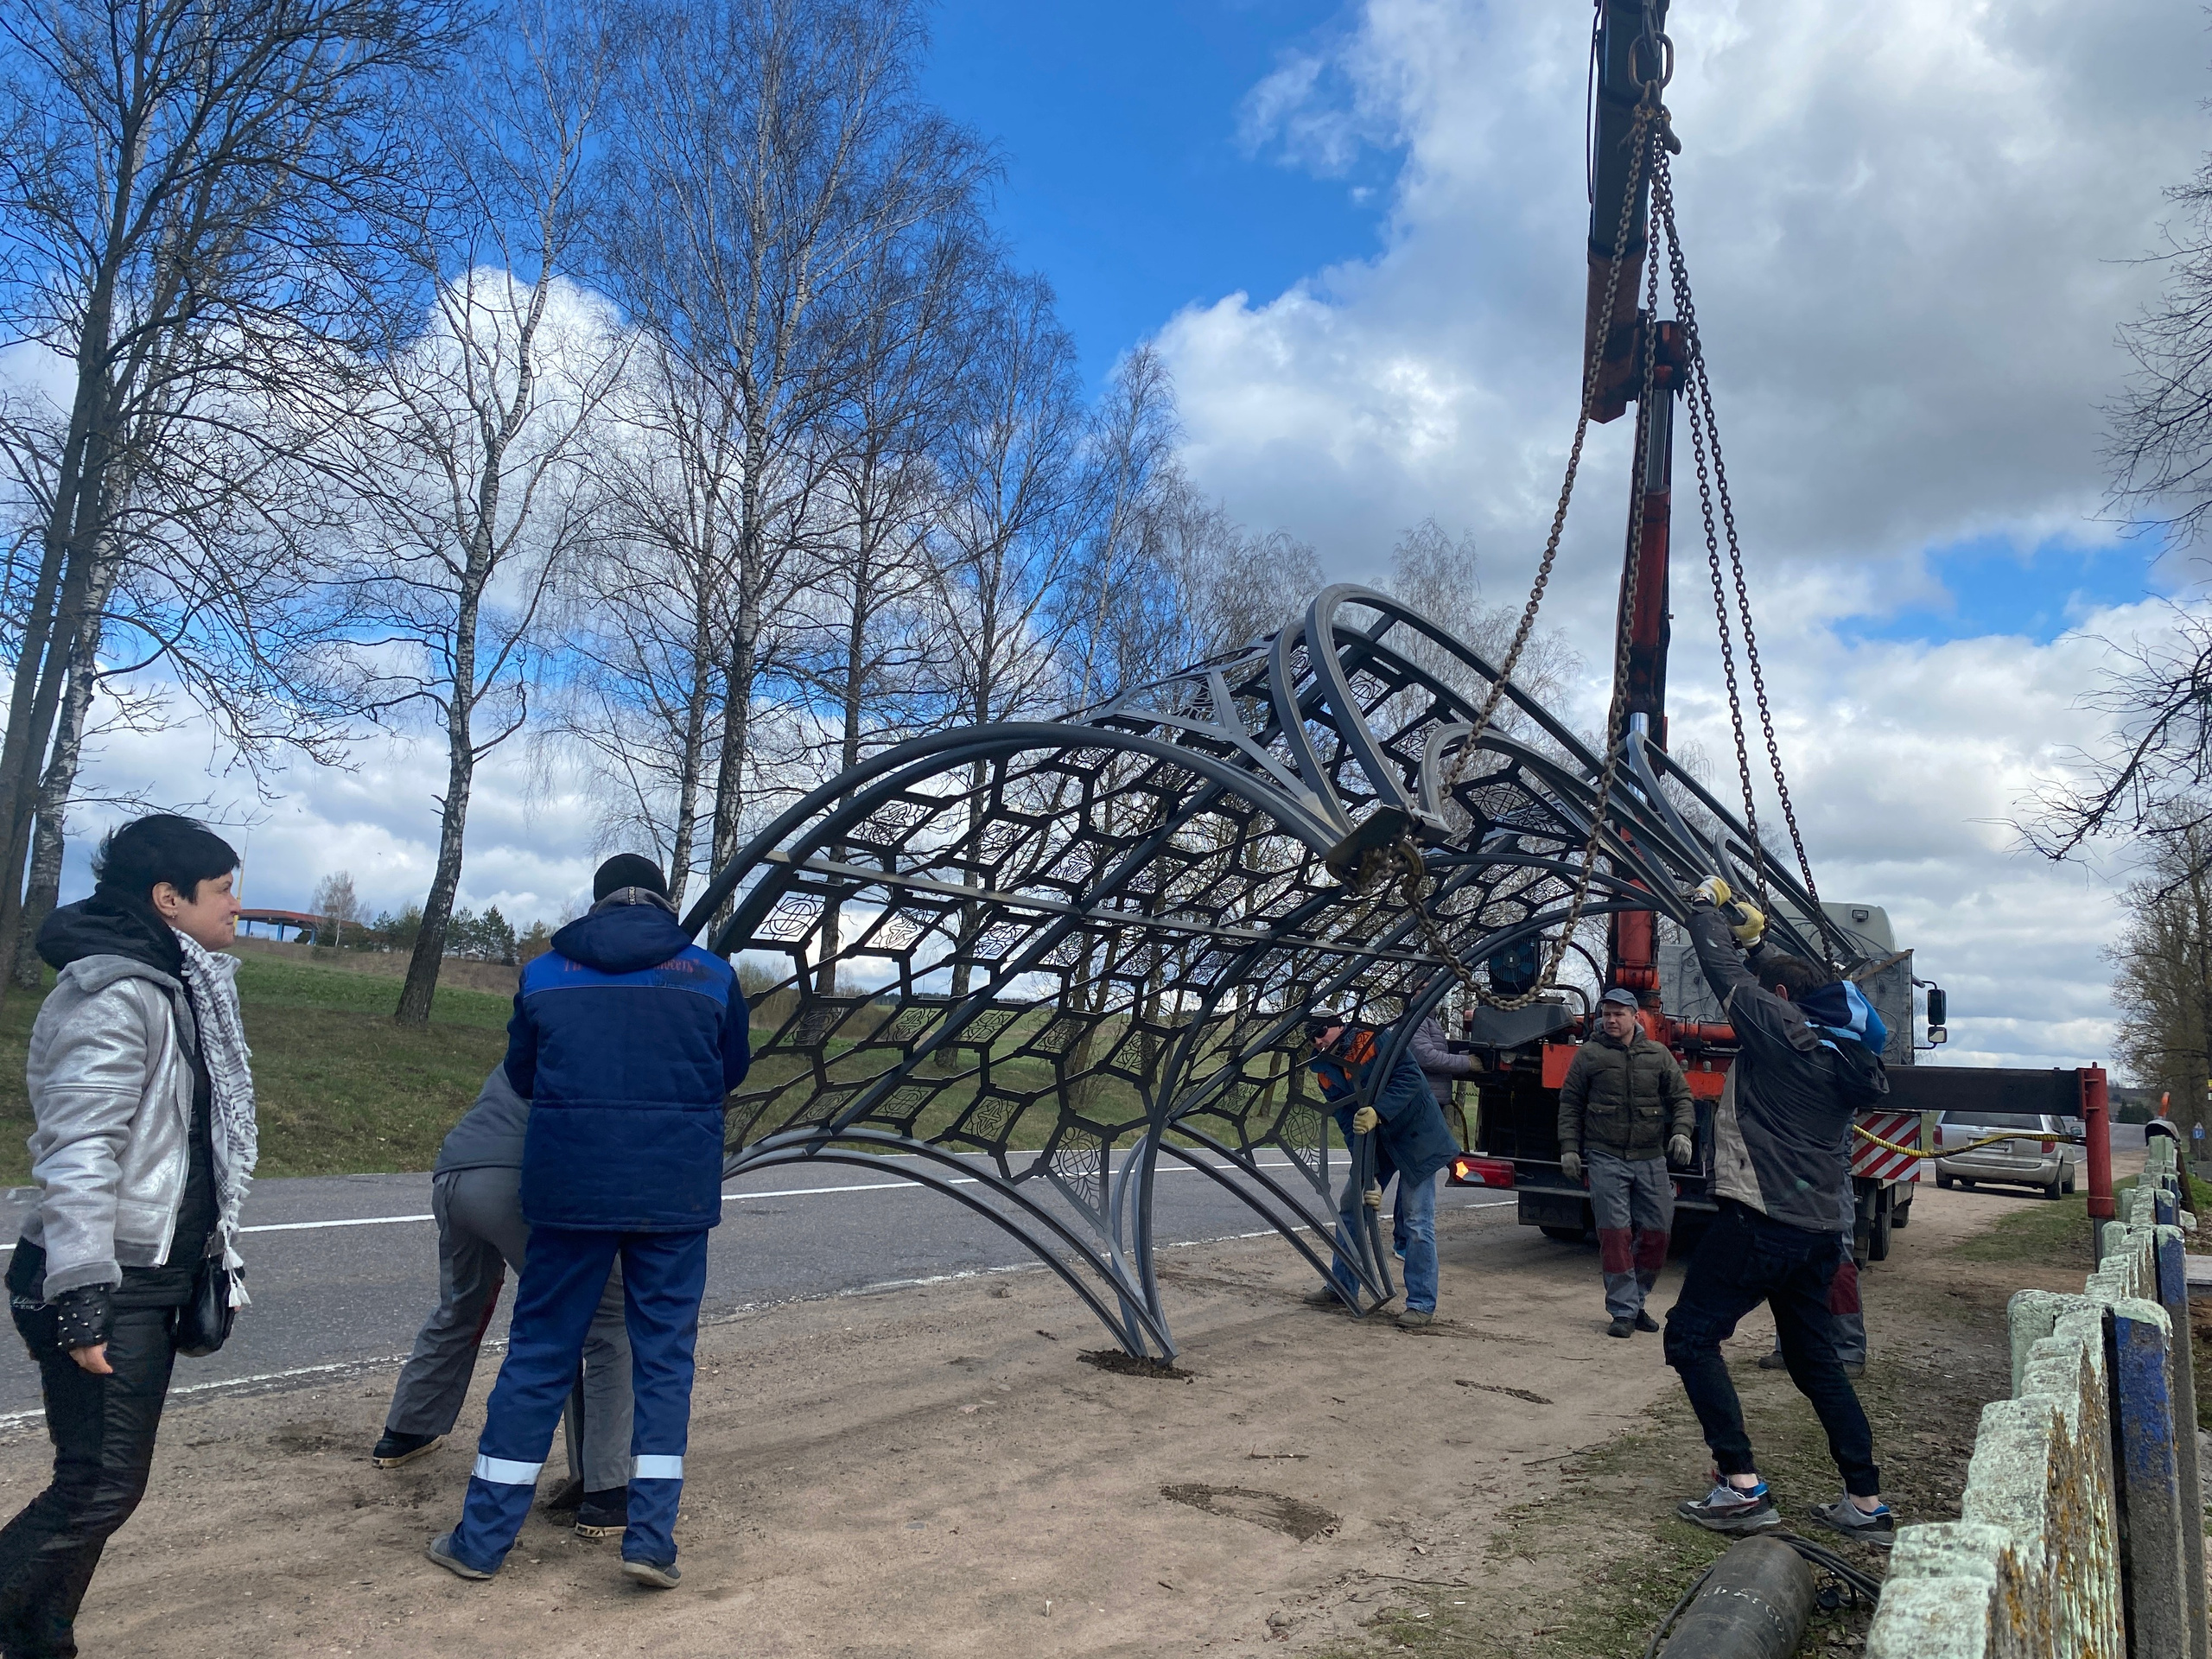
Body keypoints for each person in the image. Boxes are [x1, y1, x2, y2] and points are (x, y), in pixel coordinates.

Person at [429, 855, 748, 1591]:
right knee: (663, 1359)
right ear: (666, 901)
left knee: (540, 1353)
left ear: (597, 901)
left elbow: (522, 1076)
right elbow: (729, 1069)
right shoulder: (711, 976)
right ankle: (650, 1541)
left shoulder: (545, 974)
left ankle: (480, 1543)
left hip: (569, 1192)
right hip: (672, 1194)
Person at [0, 815, 256, 1656]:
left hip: (143, 1278)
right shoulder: (121, 995)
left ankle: (43, 1642)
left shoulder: (178, 984)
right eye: (223, 891)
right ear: (168, 898)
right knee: (100, 1487)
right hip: (100, 1282)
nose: (237, 907)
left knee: (96, 1485)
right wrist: (81, 1295)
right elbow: (78, 1149)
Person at [1662, 876, 1895, 1546]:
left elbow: (1723, 970)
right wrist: (1761, 941)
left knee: (1690, 1337)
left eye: (1774, 992)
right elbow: (1770, 978)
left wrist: (1704, 908)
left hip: (1759, 1219)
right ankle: (1865, 1501)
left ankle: (1740, 1487)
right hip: (1822, 1231)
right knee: (1814, 1361)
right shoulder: (1844, 1048)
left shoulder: (1781, 1032)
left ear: (1784, 1001)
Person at [375, 1065, 634, 1539]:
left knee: (462, 1304)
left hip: (454, 1176)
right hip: (516, 1181)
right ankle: (608, 1492)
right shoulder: (611, 1044)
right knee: (608, 1318)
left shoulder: (544, 1025)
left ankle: (405, 1432)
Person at [1302, 1013, 1459, 1330]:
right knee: (1351, 1206)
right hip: (1377, 1142)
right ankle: (1342, 1286)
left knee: (1416, 1221)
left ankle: (1420, 1304)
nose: (1318, 1041)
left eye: (1320, 1032)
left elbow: (1411, 1078)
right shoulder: (1324, 1070)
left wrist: (1379, 1111)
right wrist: (1368, 1173)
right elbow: (1348, 1124)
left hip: (1417, 1136)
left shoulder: (1373, 1039)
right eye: (1311, 1038)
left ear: (1338, 1025)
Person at [1558, 987, 1696, 1338]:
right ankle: (1622, 1311)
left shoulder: (1658, 1055)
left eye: (1619, 1014)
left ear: (1636, 1017)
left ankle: (1635, 1300)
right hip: (1605, 1155)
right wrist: (1569, 1148)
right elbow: (1570, 1103)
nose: (1611, 1020)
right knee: (1615, 1233)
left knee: (1658, 1232)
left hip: (1650, 1157)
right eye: (1606, 1013)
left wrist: (1681, 1132)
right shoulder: (1589, 1055)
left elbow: (1681, 1097)